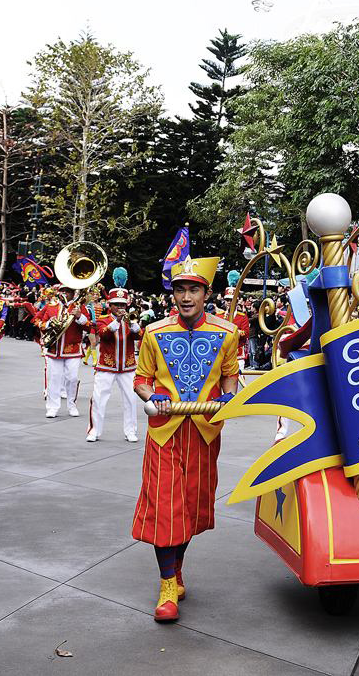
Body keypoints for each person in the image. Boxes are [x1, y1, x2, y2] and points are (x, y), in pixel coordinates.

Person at [131, 255, 239, 623]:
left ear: (206, 293)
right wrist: (152, 397)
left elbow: (230, 376)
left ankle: (177, 569)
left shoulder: (227, 334)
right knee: (165, 506)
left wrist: (228, 395)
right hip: (165, 433)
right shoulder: (154, 333)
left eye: (193, 289)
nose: (186, 296)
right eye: (180, 289)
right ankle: (166, 585)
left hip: (205, 433)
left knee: (190, 508)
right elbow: (141, 379)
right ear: (172, 294)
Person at [87, 287, 142, 443]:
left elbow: (140, 337)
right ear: (110, 305)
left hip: (128, 367)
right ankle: (94, 430)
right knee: (98, 398)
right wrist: (116, 321)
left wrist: (136, 328)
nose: (120, 308)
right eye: (117, 305)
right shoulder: (103, 319)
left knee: (131, 399)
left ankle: (130, 431)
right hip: (106, 366)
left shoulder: (130, 320)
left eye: (123, 305)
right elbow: (103, 335)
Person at [36, 284, 89, 418]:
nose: (64, 293)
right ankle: (52, 407)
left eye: (68, 291)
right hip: (54, 348)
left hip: (73, 350)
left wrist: (79, 317)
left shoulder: (79, 307)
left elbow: (89, 327)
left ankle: (72, 405)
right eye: (62, 291)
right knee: (54, 378)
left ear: (73, 293)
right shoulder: (51, 306)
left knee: (72, 378)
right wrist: (48, 324)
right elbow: (38, 320)